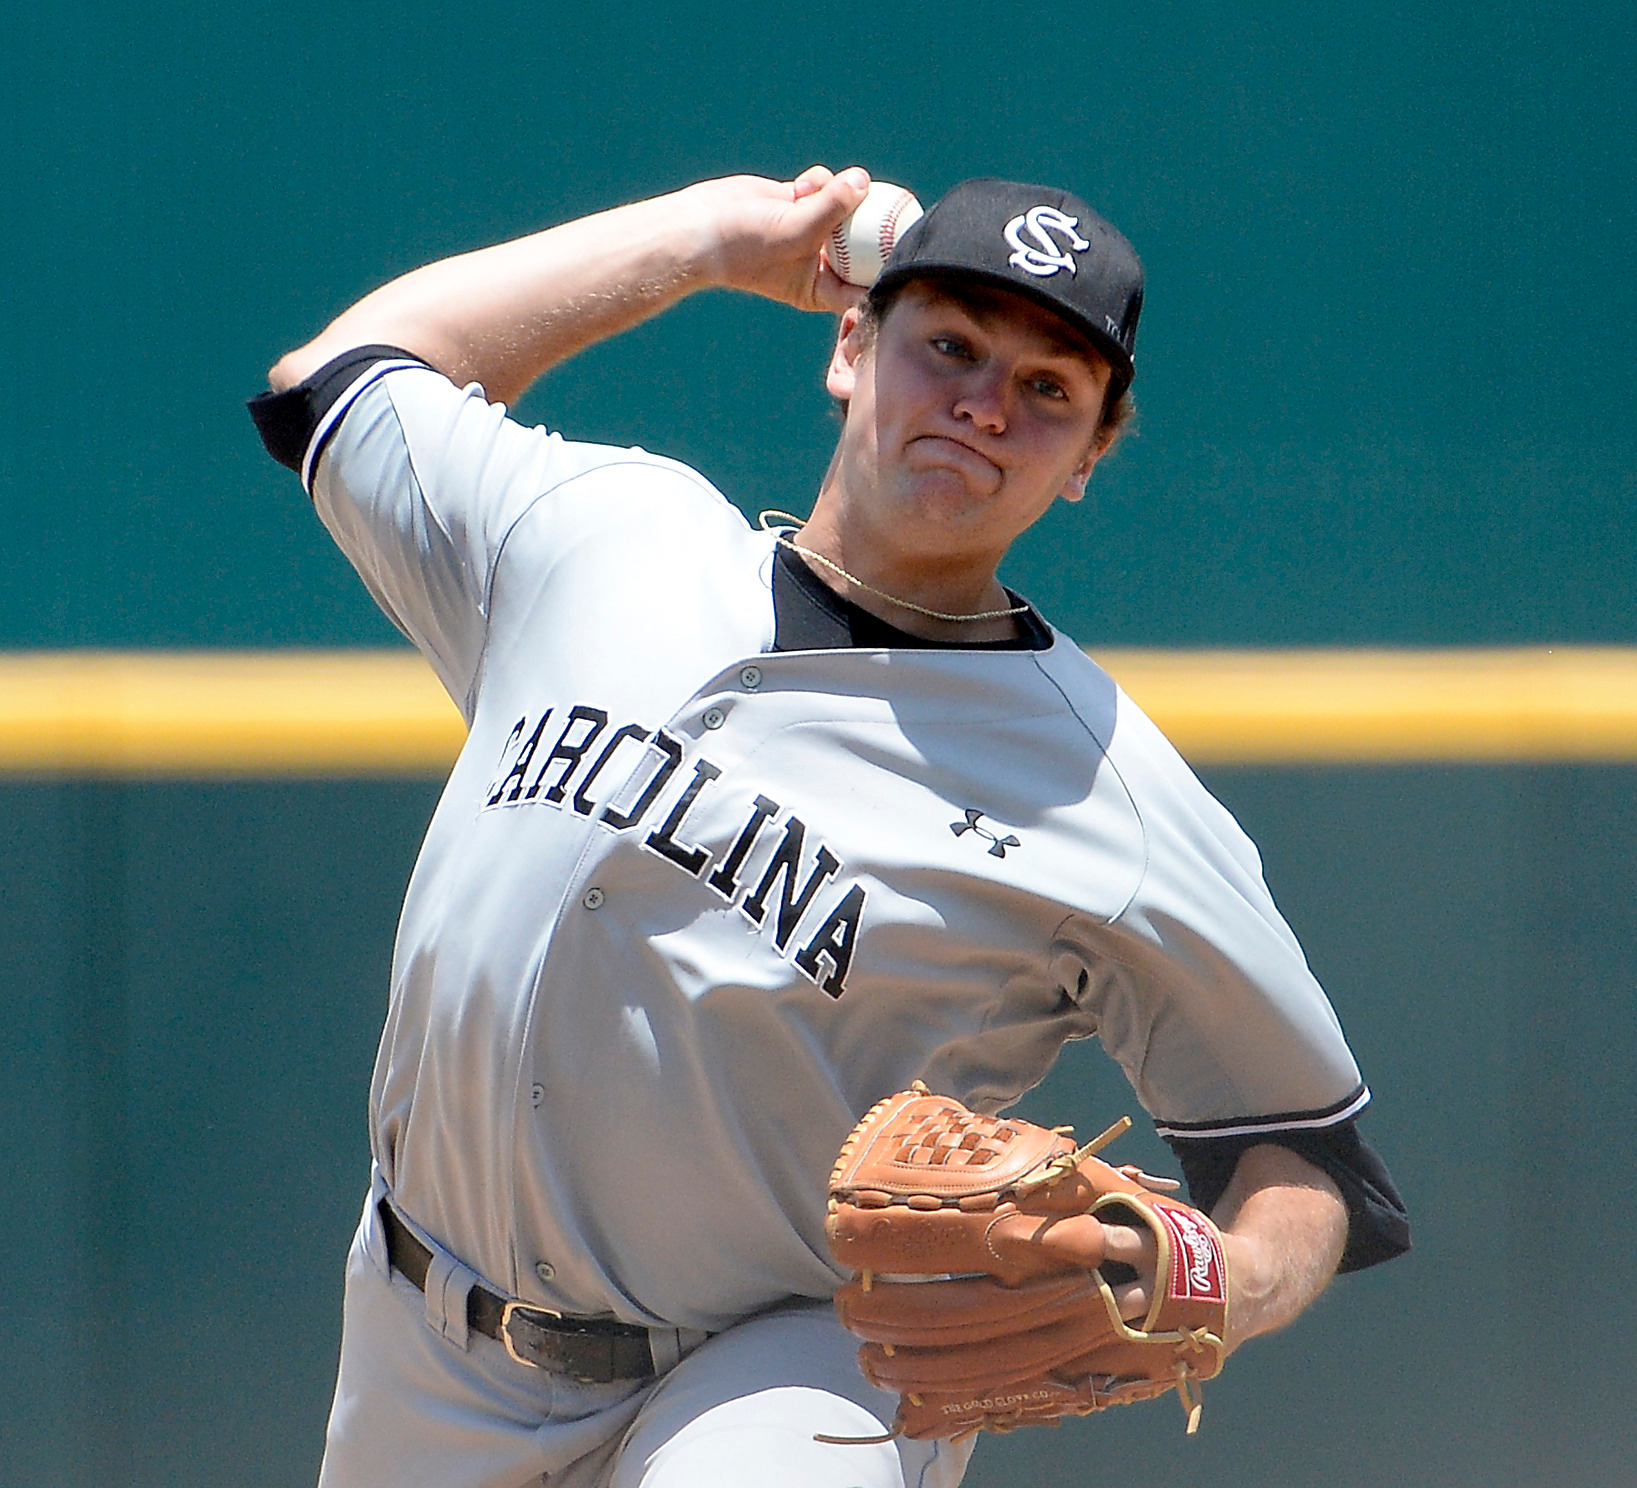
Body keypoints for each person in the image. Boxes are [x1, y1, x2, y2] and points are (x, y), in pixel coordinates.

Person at [250, 166, 1408, 1488]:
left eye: (1047, 389)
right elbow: (337, 375)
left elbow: (1300, 1151)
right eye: (951, 346)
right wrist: (702, 241)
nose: (983, 402)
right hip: (423, 1333)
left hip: (785, 1364)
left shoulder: (1106, 790)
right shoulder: (601, 535)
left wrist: (1215, 1275)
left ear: (1090, 458)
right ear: (851, 346)